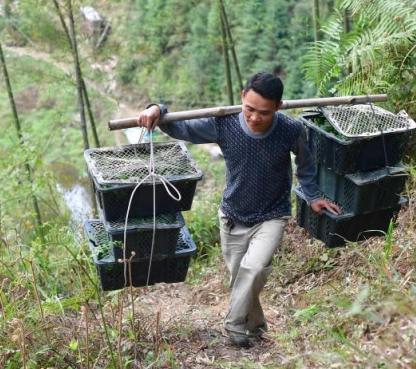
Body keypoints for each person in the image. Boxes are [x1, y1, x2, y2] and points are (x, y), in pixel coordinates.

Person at [137, 72, 341, 348]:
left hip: (272, 215)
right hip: (232, 216)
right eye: (250, 108)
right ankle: (256, 327)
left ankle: (234, 325)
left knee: (254, 269)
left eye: (264, 112)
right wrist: (158, 110)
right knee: (241, 280)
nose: (255, 117)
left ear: (279, 107)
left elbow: (305, 164)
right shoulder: (224, 125)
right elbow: (181, 128)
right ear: (242, 97)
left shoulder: (290, 130)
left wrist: (313, 195)